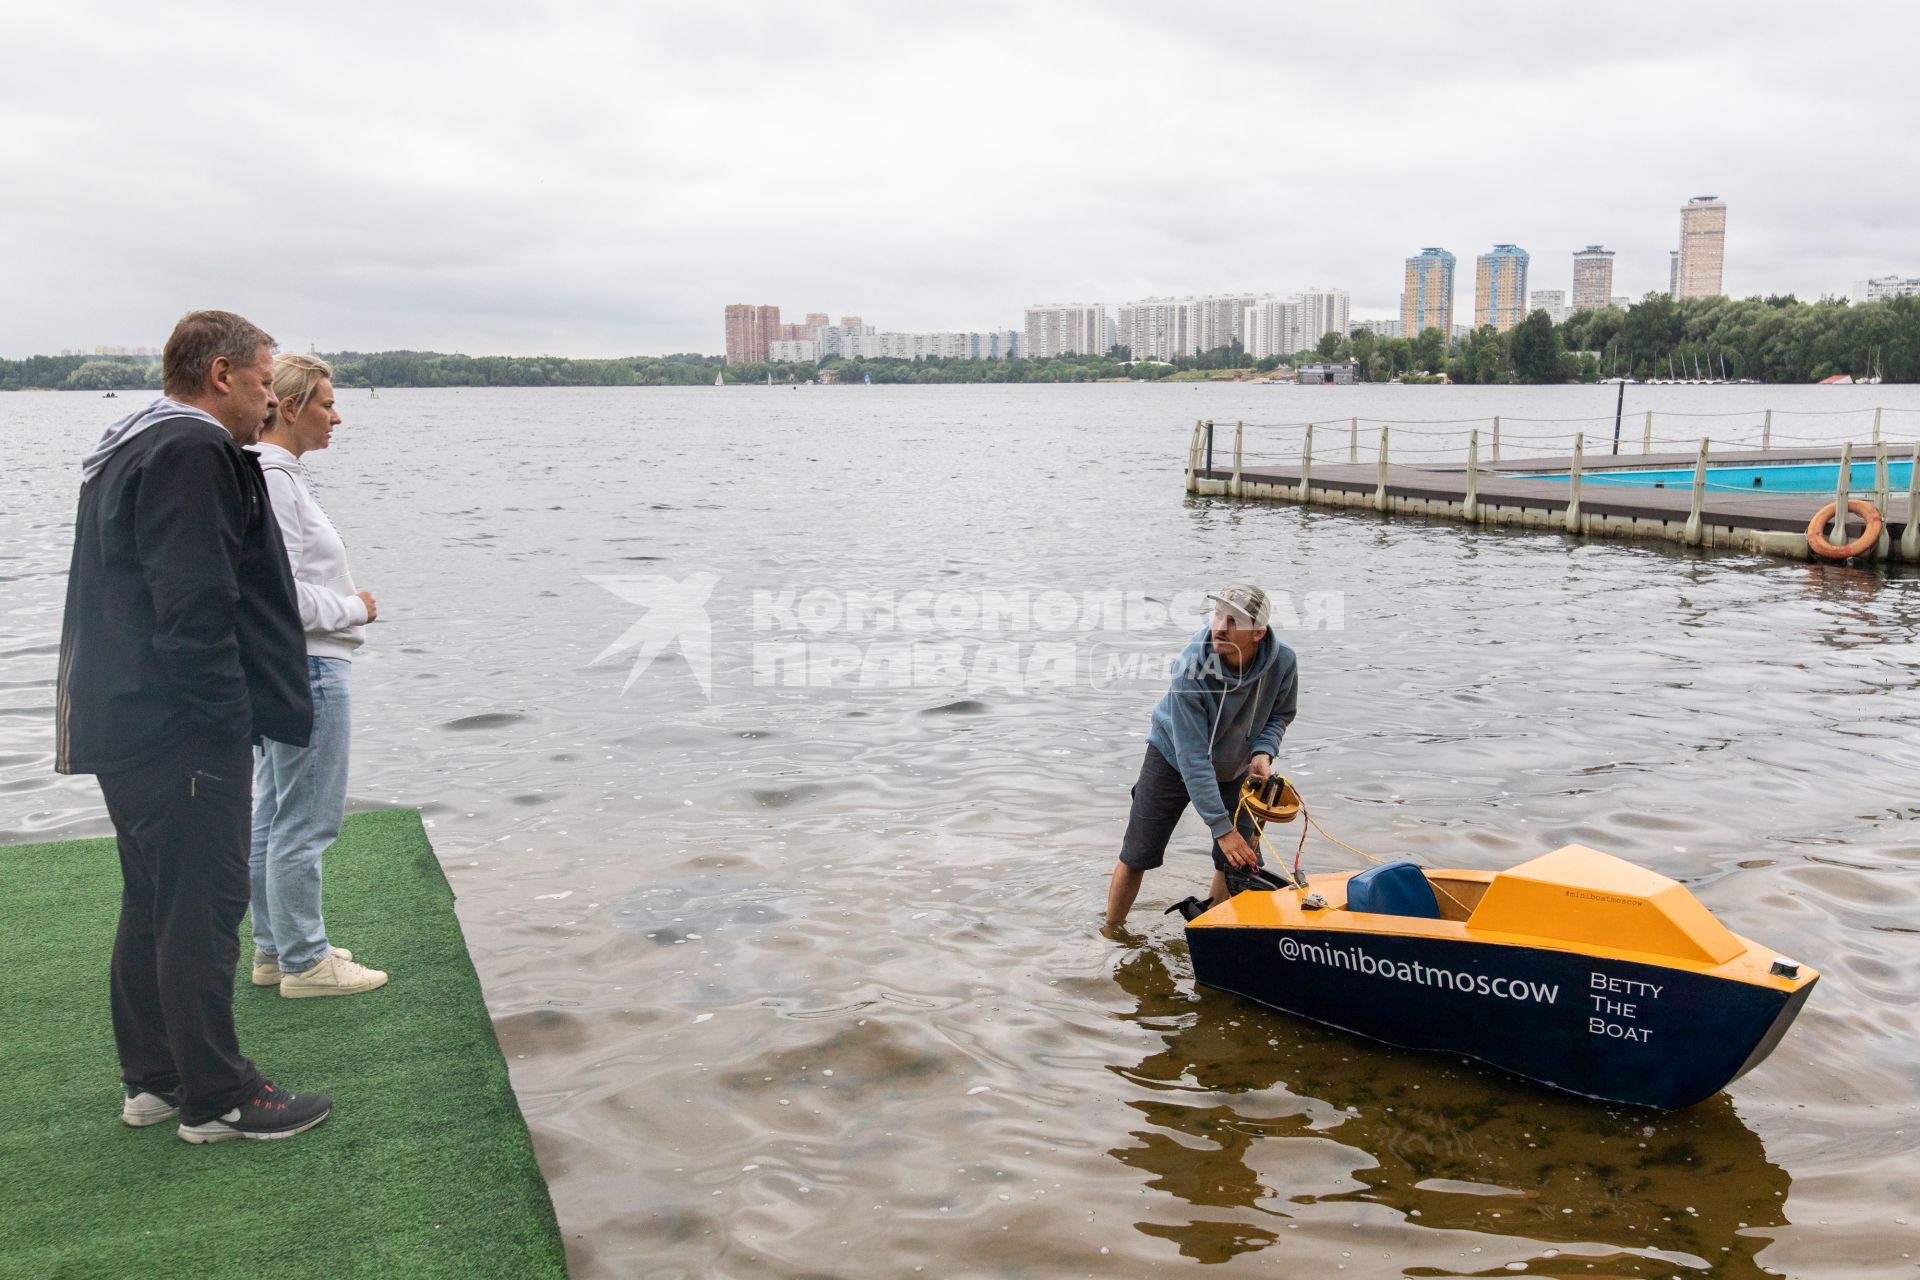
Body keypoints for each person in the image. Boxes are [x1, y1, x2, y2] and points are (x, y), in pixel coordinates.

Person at [56, 310, 333, 1142]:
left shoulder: (133, 441)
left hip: (123, 714)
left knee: (154, 898)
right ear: (222, 376)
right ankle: (218, 1095)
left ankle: (156, 1080)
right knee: (204, 903)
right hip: (175, 724)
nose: (266, 403)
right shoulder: (190, 450)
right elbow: (195, 602)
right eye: (259, 383)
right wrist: (225, 720)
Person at [246, 354, 388, 998]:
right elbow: (281, 594)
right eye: (327, 403)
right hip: (309, 665)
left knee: (276, 810)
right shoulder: (275, 477)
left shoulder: (275, 474)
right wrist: (354, 609)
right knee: (304, 817)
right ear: (292, 406)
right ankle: (304, 961)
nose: (338, 414)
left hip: (293, 662)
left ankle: (278, 950)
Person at [1104, 583, 1298, 934]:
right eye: (1217, 615)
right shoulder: (1190, 667)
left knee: (1237, 861)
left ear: (1258, 632)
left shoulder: (1283, 662)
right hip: (1171, 758)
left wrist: (1262, 751)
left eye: (1233, 620)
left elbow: (1280, 714)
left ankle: (1212, 930)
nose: (1219, 627)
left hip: (1238, 766)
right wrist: (1221, 828)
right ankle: (1110, 933)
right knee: (1137, 855)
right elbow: (1192, 758)